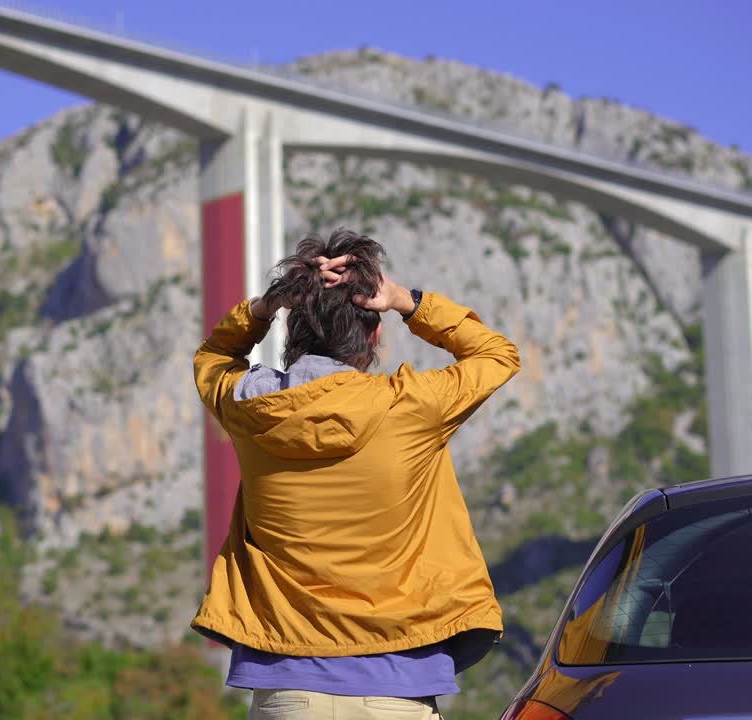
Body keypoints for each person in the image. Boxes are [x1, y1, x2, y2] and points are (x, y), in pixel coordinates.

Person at [192, 229, 521, 719]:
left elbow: (213, 359)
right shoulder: (412, 406)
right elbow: (497, 355)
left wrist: (264, 307)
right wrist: (405, 300)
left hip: (287, 691)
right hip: (397, 689)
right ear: (374, 332)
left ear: (292, 330)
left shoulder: (251, 405)